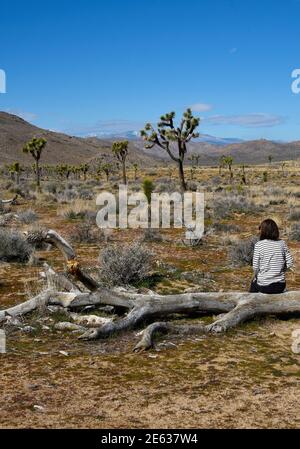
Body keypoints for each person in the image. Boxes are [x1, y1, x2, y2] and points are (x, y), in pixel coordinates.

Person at [250, 219, 294, 294]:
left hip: (264, 286)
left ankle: (251, 303)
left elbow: (255, 267)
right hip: (280, 285)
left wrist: (258, 276)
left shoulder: (259, 245)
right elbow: (290, 263)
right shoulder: (282, 243)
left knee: (253, 284)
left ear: (264, 231)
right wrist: (281, 270)